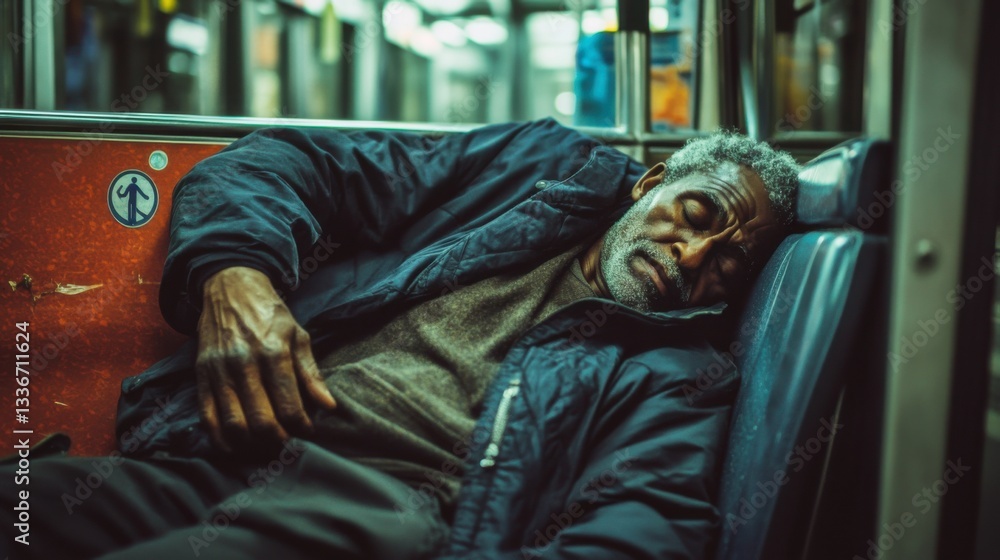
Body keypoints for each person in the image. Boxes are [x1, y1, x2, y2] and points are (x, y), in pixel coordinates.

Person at [1, 118, 799, 559]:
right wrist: (234, 273)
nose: (694, 258)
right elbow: (293, 161)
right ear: (652, 184)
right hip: (225, 447)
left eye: (730, 262)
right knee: (24, 510)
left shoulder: (677, 372)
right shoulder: (531, 173)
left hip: (389, 513)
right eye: (697, 217)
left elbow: (642, 526)